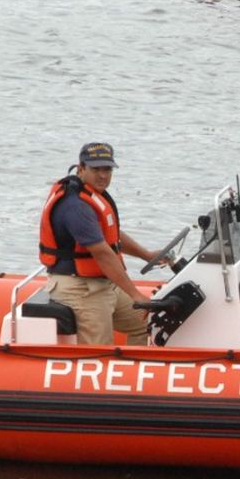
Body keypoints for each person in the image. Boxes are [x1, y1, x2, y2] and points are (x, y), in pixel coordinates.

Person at [38, 142, 162, 346]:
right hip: (81, 289)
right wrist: (136, 295)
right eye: (96, 169)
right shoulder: (75, 206)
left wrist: (146, 255)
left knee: (145, 323)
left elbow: (111, 234)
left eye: (107, 169)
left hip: (104, 284)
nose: (103, 175)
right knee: (99, 349)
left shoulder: (92, 195)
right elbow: (103, 253)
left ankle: (133, 373)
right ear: (81, 168)